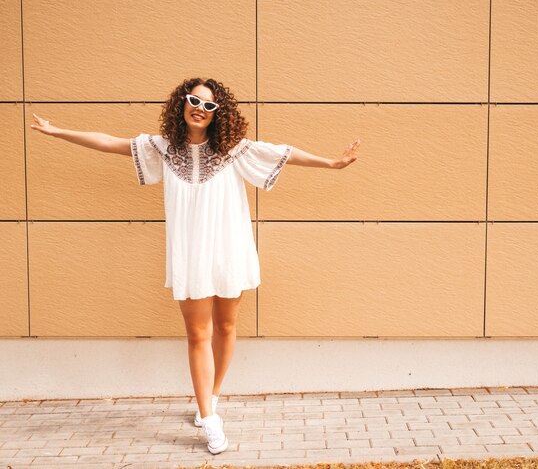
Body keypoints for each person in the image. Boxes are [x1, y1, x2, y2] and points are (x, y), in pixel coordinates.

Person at [30, 77, 360, 455]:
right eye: (194, 101)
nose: (201, 109)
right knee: (197, 334)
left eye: (210, 105)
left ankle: (212, 397)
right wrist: (57, 133)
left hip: (229, 250)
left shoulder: (234, 150)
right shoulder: (163, 149)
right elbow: (110, 142)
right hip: (190, 255)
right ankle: (209, 419)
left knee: (225, 325)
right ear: (181, 104)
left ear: (220, 114)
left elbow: (284, 153)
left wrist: (332, 163)